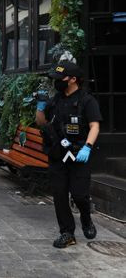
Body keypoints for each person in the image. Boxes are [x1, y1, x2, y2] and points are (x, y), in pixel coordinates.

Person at [35, 60, 102, 249]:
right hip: (57, 154)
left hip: (79, 154)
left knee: (80, 195)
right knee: (60, 195)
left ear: (73, 79)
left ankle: (86, 220)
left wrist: (87, 147)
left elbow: (94, 125)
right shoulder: (55, 100)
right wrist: (40, 106)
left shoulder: (87, 101)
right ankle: (67, 233)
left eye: (60, 78)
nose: (57, 82)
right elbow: (41, 122)